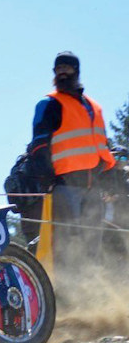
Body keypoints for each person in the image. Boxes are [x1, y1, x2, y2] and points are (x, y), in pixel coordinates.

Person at [25, 51, 115, 287]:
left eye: (67, 67)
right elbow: (39, 145)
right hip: (64, 187)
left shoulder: (94, 107)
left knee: (92, 245)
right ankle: (66, 298)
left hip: (93, 189)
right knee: (66, 245)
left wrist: (106, 179)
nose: (62, 72)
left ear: (77, 71)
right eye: (58, 68)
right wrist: (47, 179)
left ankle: (89, 295)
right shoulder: (49, 104)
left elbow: (102, 147)